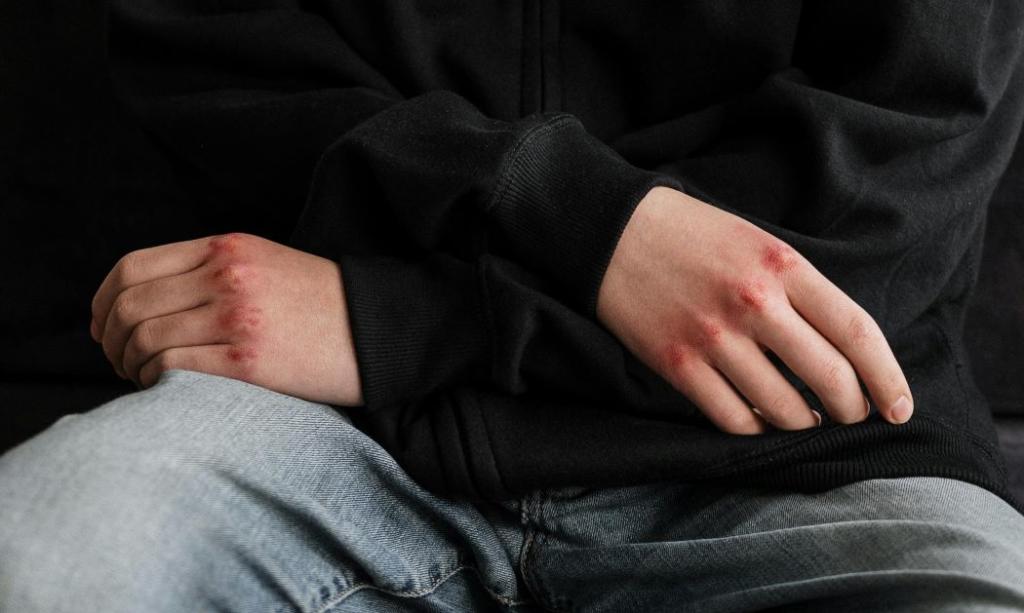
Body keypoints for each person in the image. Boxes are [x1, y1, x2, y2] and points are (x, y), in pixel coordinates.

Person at [3, 1, 1024, 610]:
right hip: (333, 432)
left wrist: (392, 324)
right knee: (33, 551)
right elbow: (214, 54)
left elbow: (898, 186)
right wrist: (573, 215)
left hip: (803, 463)